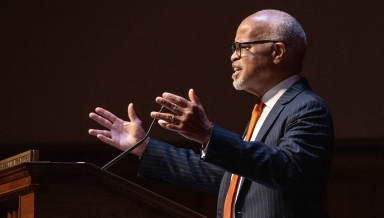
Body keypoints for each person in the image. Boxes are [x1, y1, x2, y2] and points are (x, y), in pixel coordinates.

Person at [89, 9, 334, 218]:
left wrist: (208, 134)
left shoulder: (307, 108)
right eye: (233, 47)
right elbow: (231, 177)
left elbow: (285, 170)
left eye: (243, 47)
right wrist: (144, 147)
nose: (233, 55)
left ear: (278, 52)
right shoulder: (265, 110)